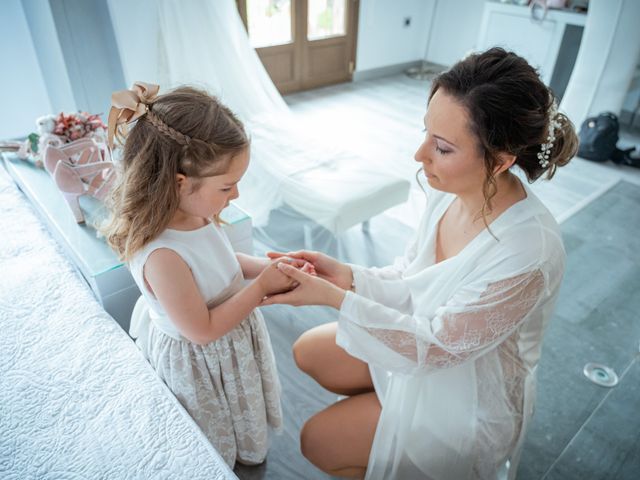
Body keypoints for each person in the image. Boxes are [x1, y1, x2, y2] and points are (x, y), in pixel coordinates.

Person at [264, 47, 579, 480]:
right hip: (424, 338)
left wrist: (336, 299)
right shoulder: (447, 190)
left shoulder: (530, 250)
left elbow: (437, 348)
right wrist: (347, 276)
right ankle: (377, 416)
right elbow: (411, 275)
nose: (419, 155)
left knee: (316, 440)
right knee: (308, 351)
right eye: (426, 133)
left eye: (442, 147)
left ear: (501, 161)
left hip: (467, 390)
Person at [101, 83, 314, 468]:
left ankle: (248, 452)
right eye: (227, 186)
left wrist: (265, 267)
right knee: (214, 434)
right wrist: (262, 288)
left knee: (241, 409)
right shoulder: (162, 254)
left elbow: (219, 258)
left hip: (229, 342)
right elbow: (201, 330)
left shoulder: (193, 213)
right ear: (179, 183)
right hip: (203, 361)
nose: (235, 195)